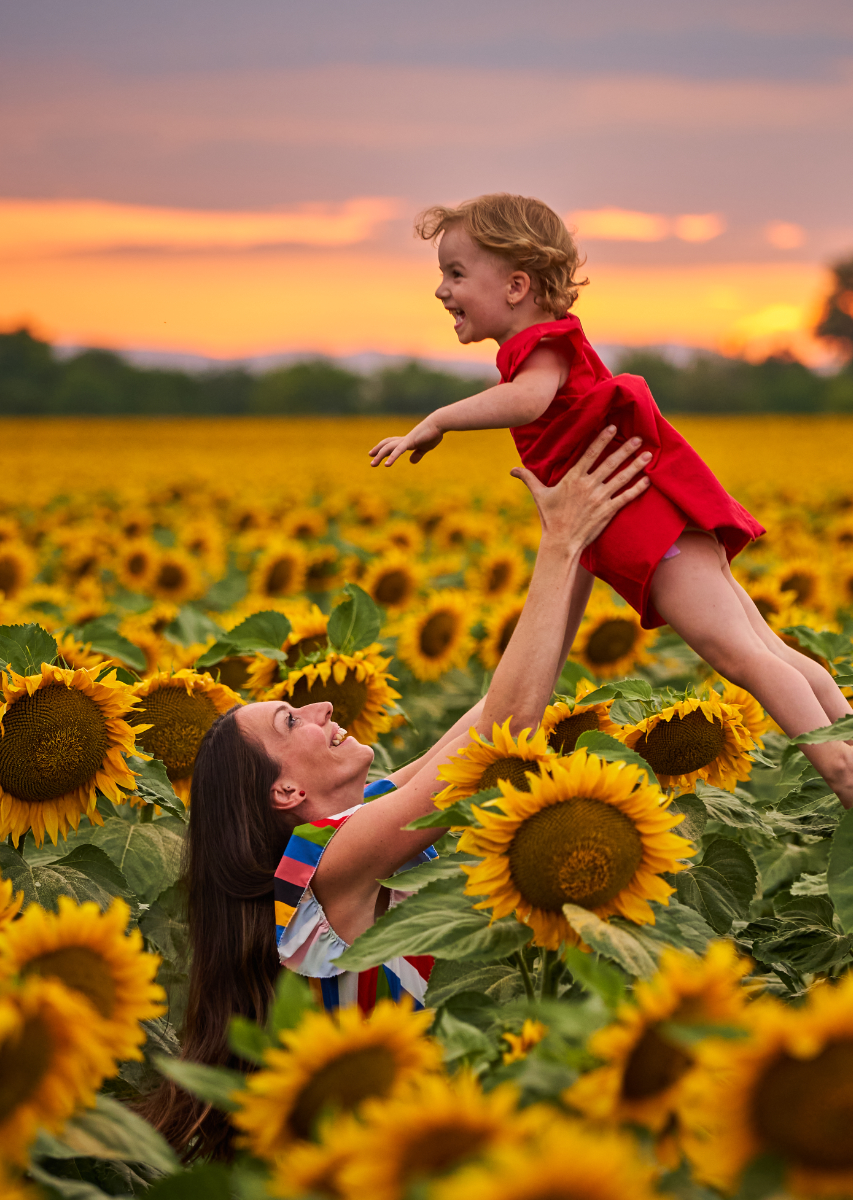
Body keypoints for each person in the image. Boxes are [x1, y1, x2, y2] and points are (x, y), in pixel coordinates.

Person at [144, 427, 654, 1158]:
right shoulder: (320, 864)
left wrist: (581, 546)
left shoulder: (368, 816)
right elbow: (499, 735)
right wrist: (561, 547)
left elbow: (493, 715)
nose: (321, 707)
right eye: (292, 719)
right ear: (285, 791)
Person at [369, 192, 853, 805]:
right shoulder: (543, 342)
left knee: (739, 654)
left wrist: (439, 420)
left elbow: (529, 401)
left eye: (455, 274)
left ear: (516, 285)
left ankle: (840, 766)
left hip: (649, 532)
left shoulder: (536, 350)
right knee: (763, 646)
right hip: (656, 522)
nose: (441, 290)